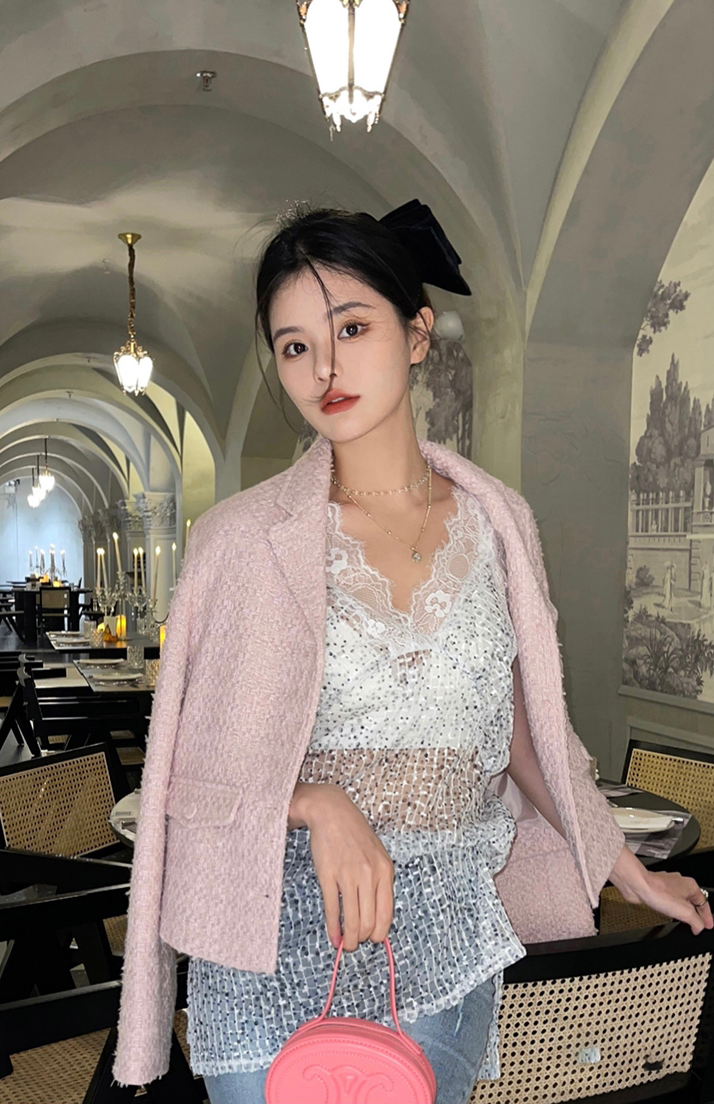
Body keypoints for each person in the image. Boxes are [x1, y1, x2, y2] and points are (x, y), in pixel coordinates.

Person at [112, 202, 713, 1103]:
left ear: (418, 333)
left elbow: (522, 734)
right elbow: (187, 770)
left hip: (442, 930)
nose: (325, 369)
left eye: (352, 329)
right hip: (273, 934)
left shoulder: (500, 524)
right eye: (295, 346)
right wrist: (317, 803)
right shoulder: (240, 540)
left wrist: (622, 867)